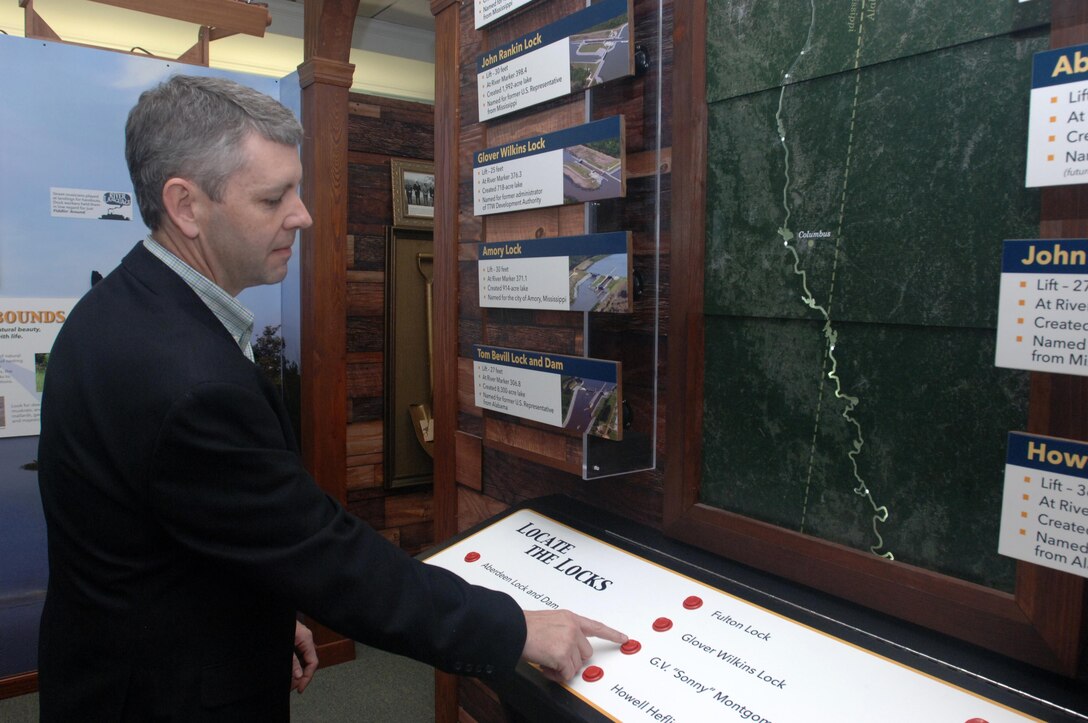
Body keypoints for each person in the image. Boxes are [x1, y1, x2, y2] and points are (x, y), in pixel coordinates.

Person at [36, 74, 626, 721]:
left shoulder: (115, 309)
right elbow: (331, 559)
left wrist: (260, 609)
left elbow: (178, 526)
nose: (303, 214)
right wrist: (513, 629)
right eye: (273, 197)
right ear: (185, 205)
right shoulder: (188, 379)